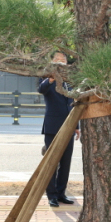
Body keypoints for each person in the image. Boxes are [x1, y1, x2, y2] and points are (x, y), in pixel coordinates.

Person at [39, 52, 79, 207]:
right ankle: (52, 195)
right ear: (52, 62)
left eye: (64, 61)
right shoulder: (46, 77)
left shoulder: (70, 81)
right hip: (52, 126)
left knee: (65, 162)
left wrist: (76, 126)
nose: (61, 63)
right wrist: (52, 78)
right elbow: (41, 90)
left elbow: (72, 103)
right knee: (52, 162)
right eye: (58, 61)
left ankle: (62, 193)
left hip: (68, 126)